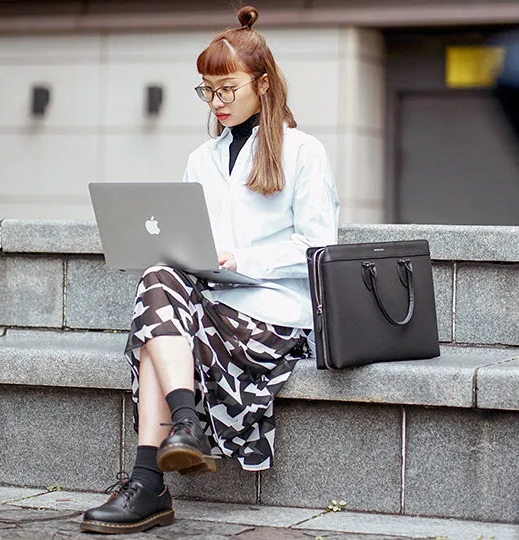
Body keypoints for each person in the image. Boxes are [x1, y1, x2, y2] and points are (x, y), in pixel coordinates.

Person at [80, 5, 339, 535]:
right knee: (157, 277)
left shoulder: (304, 152)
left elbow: (319, 247)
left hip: (274, 316)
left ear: (262, 85)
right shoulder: (202, 157)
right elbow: (183, 234)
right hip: (211, 303)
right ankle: (187, 427)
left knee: (154, 328)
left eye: (227, 89)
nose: (216, 102)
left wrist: (242, 259)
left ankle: (149, 480)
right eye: (207, 91)